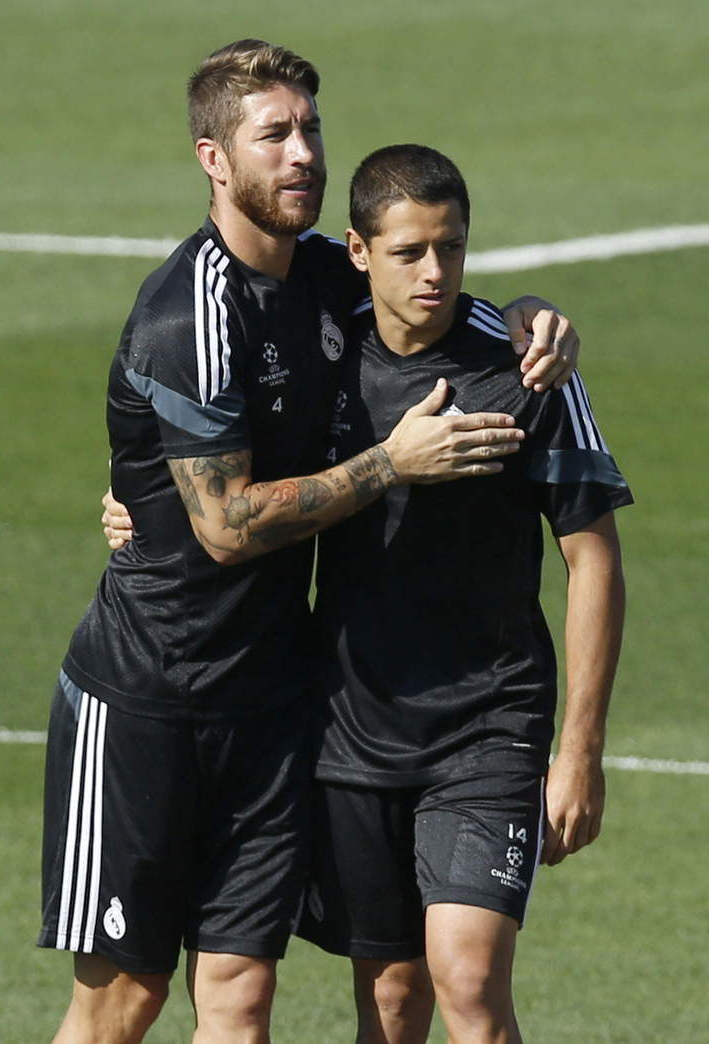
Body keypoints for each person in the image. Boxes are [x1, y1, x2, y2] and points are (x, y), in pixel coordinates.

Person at [65, 40, 579, 1044]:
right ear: (214, 158)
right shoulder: (188, 310)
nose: (303, 152)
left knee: (241, 996)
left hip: (272, 702)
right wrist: (391, 462)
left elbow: (425, 290)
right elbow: (223, 526)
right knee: (124, 1002)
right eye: (274, 135)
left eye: (310, 128)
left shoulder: (320, 277)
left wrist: (527, 319)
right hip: (150, 699)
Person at [294, 144, 633, 1044]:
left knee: (471, 985)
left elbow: (593, 558)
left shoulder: (528, 368)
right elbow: (221, 457)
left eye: (451, 247)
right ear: (359, 252)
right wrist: (131, 497)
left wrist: (580, 750)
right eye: (409, 252)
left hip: (490, 725)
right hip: (352, 727)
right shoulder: (321, 355)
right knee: (392, 1004)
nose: (434, 273)